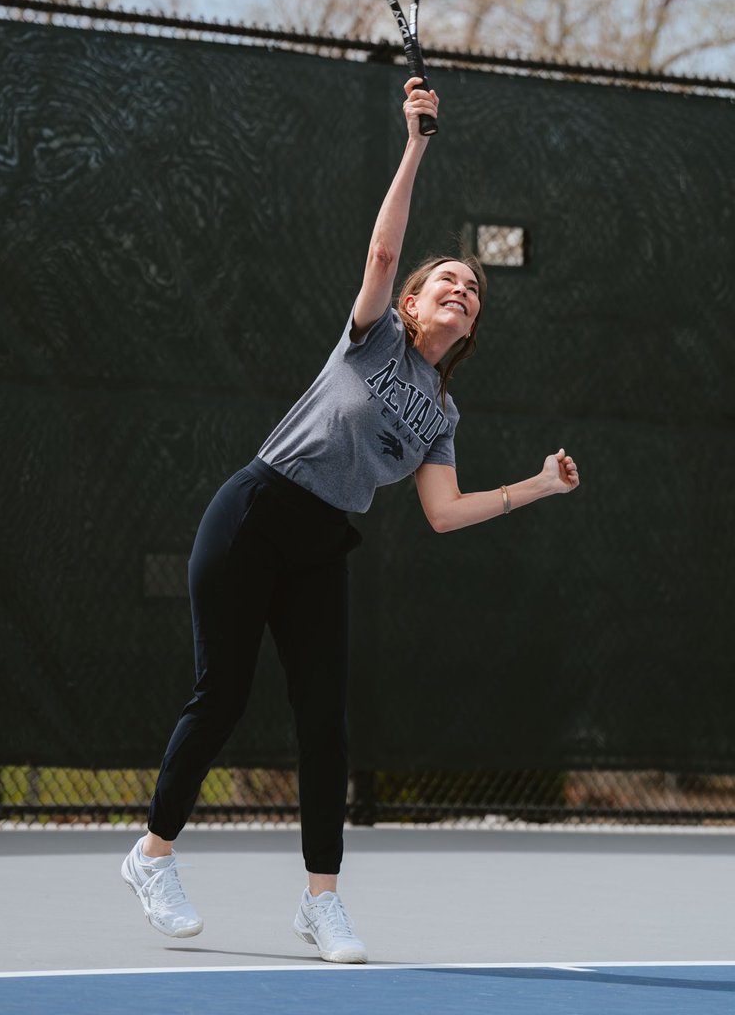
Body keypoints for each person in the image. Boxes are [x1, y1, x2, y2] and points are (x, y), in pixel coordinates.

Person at [121, 78, 580, 963]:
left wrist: (536, 487)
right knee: (221, 695)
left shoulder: (441, 418)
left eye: (475, 290)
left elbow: (444, 514)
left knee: (324, 722)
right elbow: (380, 254)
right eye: (447, 279)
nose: (463, 288)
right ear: (410, 304)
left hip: (321, 542)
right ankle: (151, 856)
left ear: (470, 327)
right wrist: (414, 145)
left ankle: (320, 902)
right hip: (254, 511)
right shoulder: (372, 338)